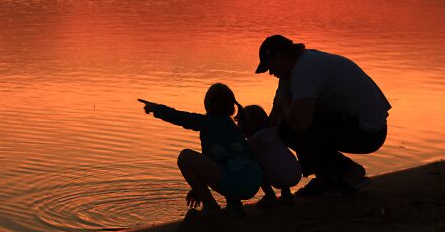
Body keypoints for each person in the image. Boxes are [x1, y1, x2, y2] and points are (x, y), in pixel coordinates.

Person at [255, 34, 391, 197]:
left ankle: (349, 172)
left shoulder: (305, 69)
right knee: (288, 127)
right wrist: (258, 137)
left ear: (278, 57)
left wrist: (285, 107)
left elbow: (300, 123)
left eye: (270, 66)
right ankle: (328, 178)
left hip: (369, 132)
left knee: (291, 129)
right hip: (355, 123)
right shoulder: (293, 72)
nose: (271, 73)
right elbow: (276, 115)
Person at [138, 83, 262, 216]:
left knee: (185, 157)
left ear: (208, 104)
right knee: (229, 162)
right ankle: (235, 206)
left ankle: (210, 205)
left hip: (237, 182)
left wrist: (156, 108)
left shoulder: (208, 122)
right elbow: (219, 161)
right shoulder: (230, 125)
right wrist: (198, 187)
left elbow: (180, 117)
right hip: (254, 180)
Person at [236, 104, 302, 207]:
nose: (238, 125)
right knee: (276, 161)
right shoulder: (275, 131)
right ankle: (286, 194)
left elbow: (241, 150)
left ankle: (270, 195)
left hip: (280, 177)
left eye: (240, 123)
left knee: (254, 166)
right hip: (296, 172)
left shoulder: (255, 140)